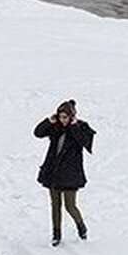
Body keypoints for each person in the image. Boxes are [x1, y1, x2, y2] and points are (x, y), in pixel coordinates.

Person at [34, 100, 95, 246]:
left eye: (66, 117)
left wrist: (74, 126)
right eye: (61, 117)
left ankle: (81, 227)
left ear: (72, 116)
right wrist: (48, 121)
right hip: (53, 172)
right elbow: (38, 133)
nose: (63, 120)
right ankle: (56, 234)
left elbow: (84, 142)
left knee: (70, 205)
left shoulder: (81, 128)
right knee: (55, 205)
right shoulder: (55, 127)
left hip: (70, 175)